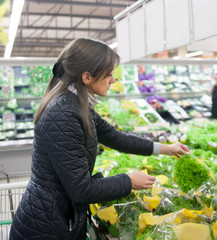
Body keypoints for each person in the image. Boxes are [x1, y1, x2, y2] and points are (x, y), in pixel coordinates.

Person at [10, 38, 190, 240]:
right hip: (47, 227)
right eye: (109, 74)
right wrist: (128, 181)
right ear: (87, 77)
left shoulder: (77, 104)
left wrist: (166, 148)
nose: (113, 80)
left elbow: (116, 138)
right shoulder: (63, 113)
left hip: (57, 216)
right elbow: (82, 190)